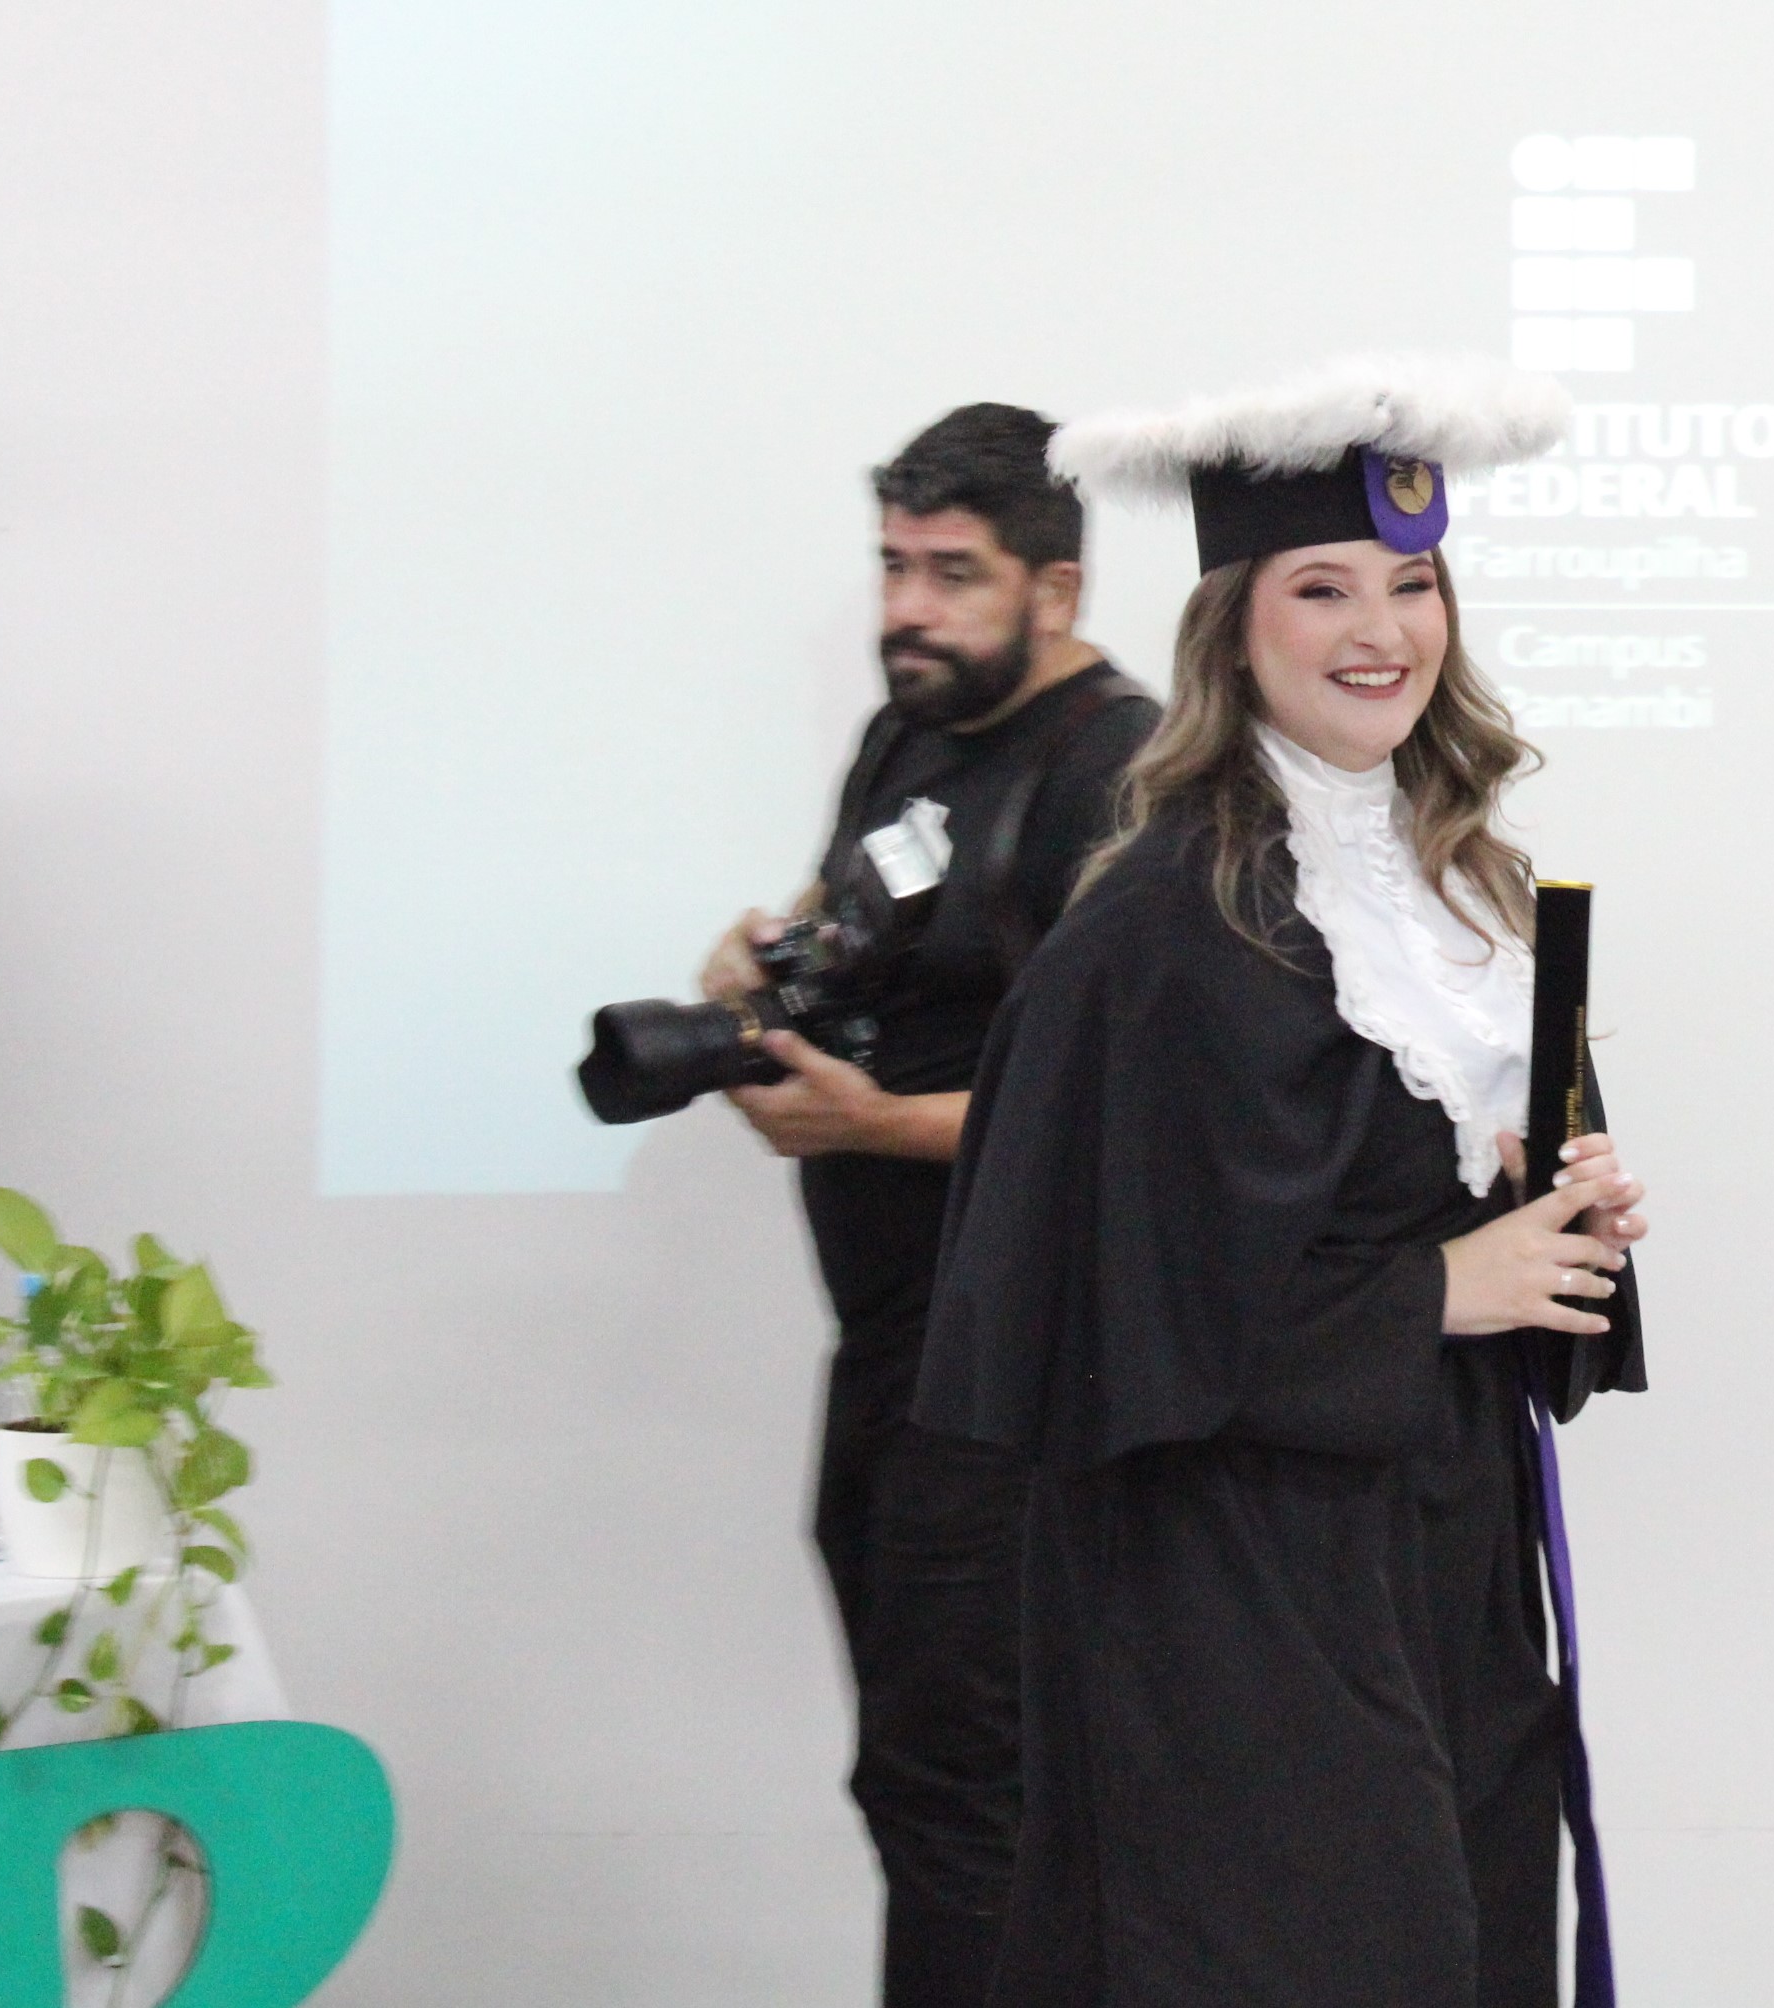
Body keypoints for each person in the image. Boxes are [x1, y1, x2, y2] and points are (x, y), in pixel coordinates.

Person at [915, 357, 1653, 2008]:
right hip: (1236, 1581)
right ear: (1233, 626)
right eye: (1322, 588)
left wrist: (1556, 1222)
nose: (1380, 630)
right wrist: (1436, 1289)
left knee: (1467, 1939)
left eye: (1412, 584)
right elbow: (1094, 1322)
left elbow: (1425, 1230)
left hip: (1444, 1547)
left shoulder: (1470, 889)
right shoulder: (1155, 936)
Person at [701, 402, 1159, 2008]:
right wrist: (761, 969)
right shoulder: (904, 737)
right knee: (916, 1778)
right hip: (894, 1353)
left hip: (1016, 1380)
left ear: (1059, 587)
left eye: (952, 574)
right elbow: (851, 926)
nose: (907, 610)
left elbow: (1130, 1117)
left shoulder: (1121, 776)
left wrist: (875, 1122)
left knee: (970, 1790)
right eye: (893, 566)